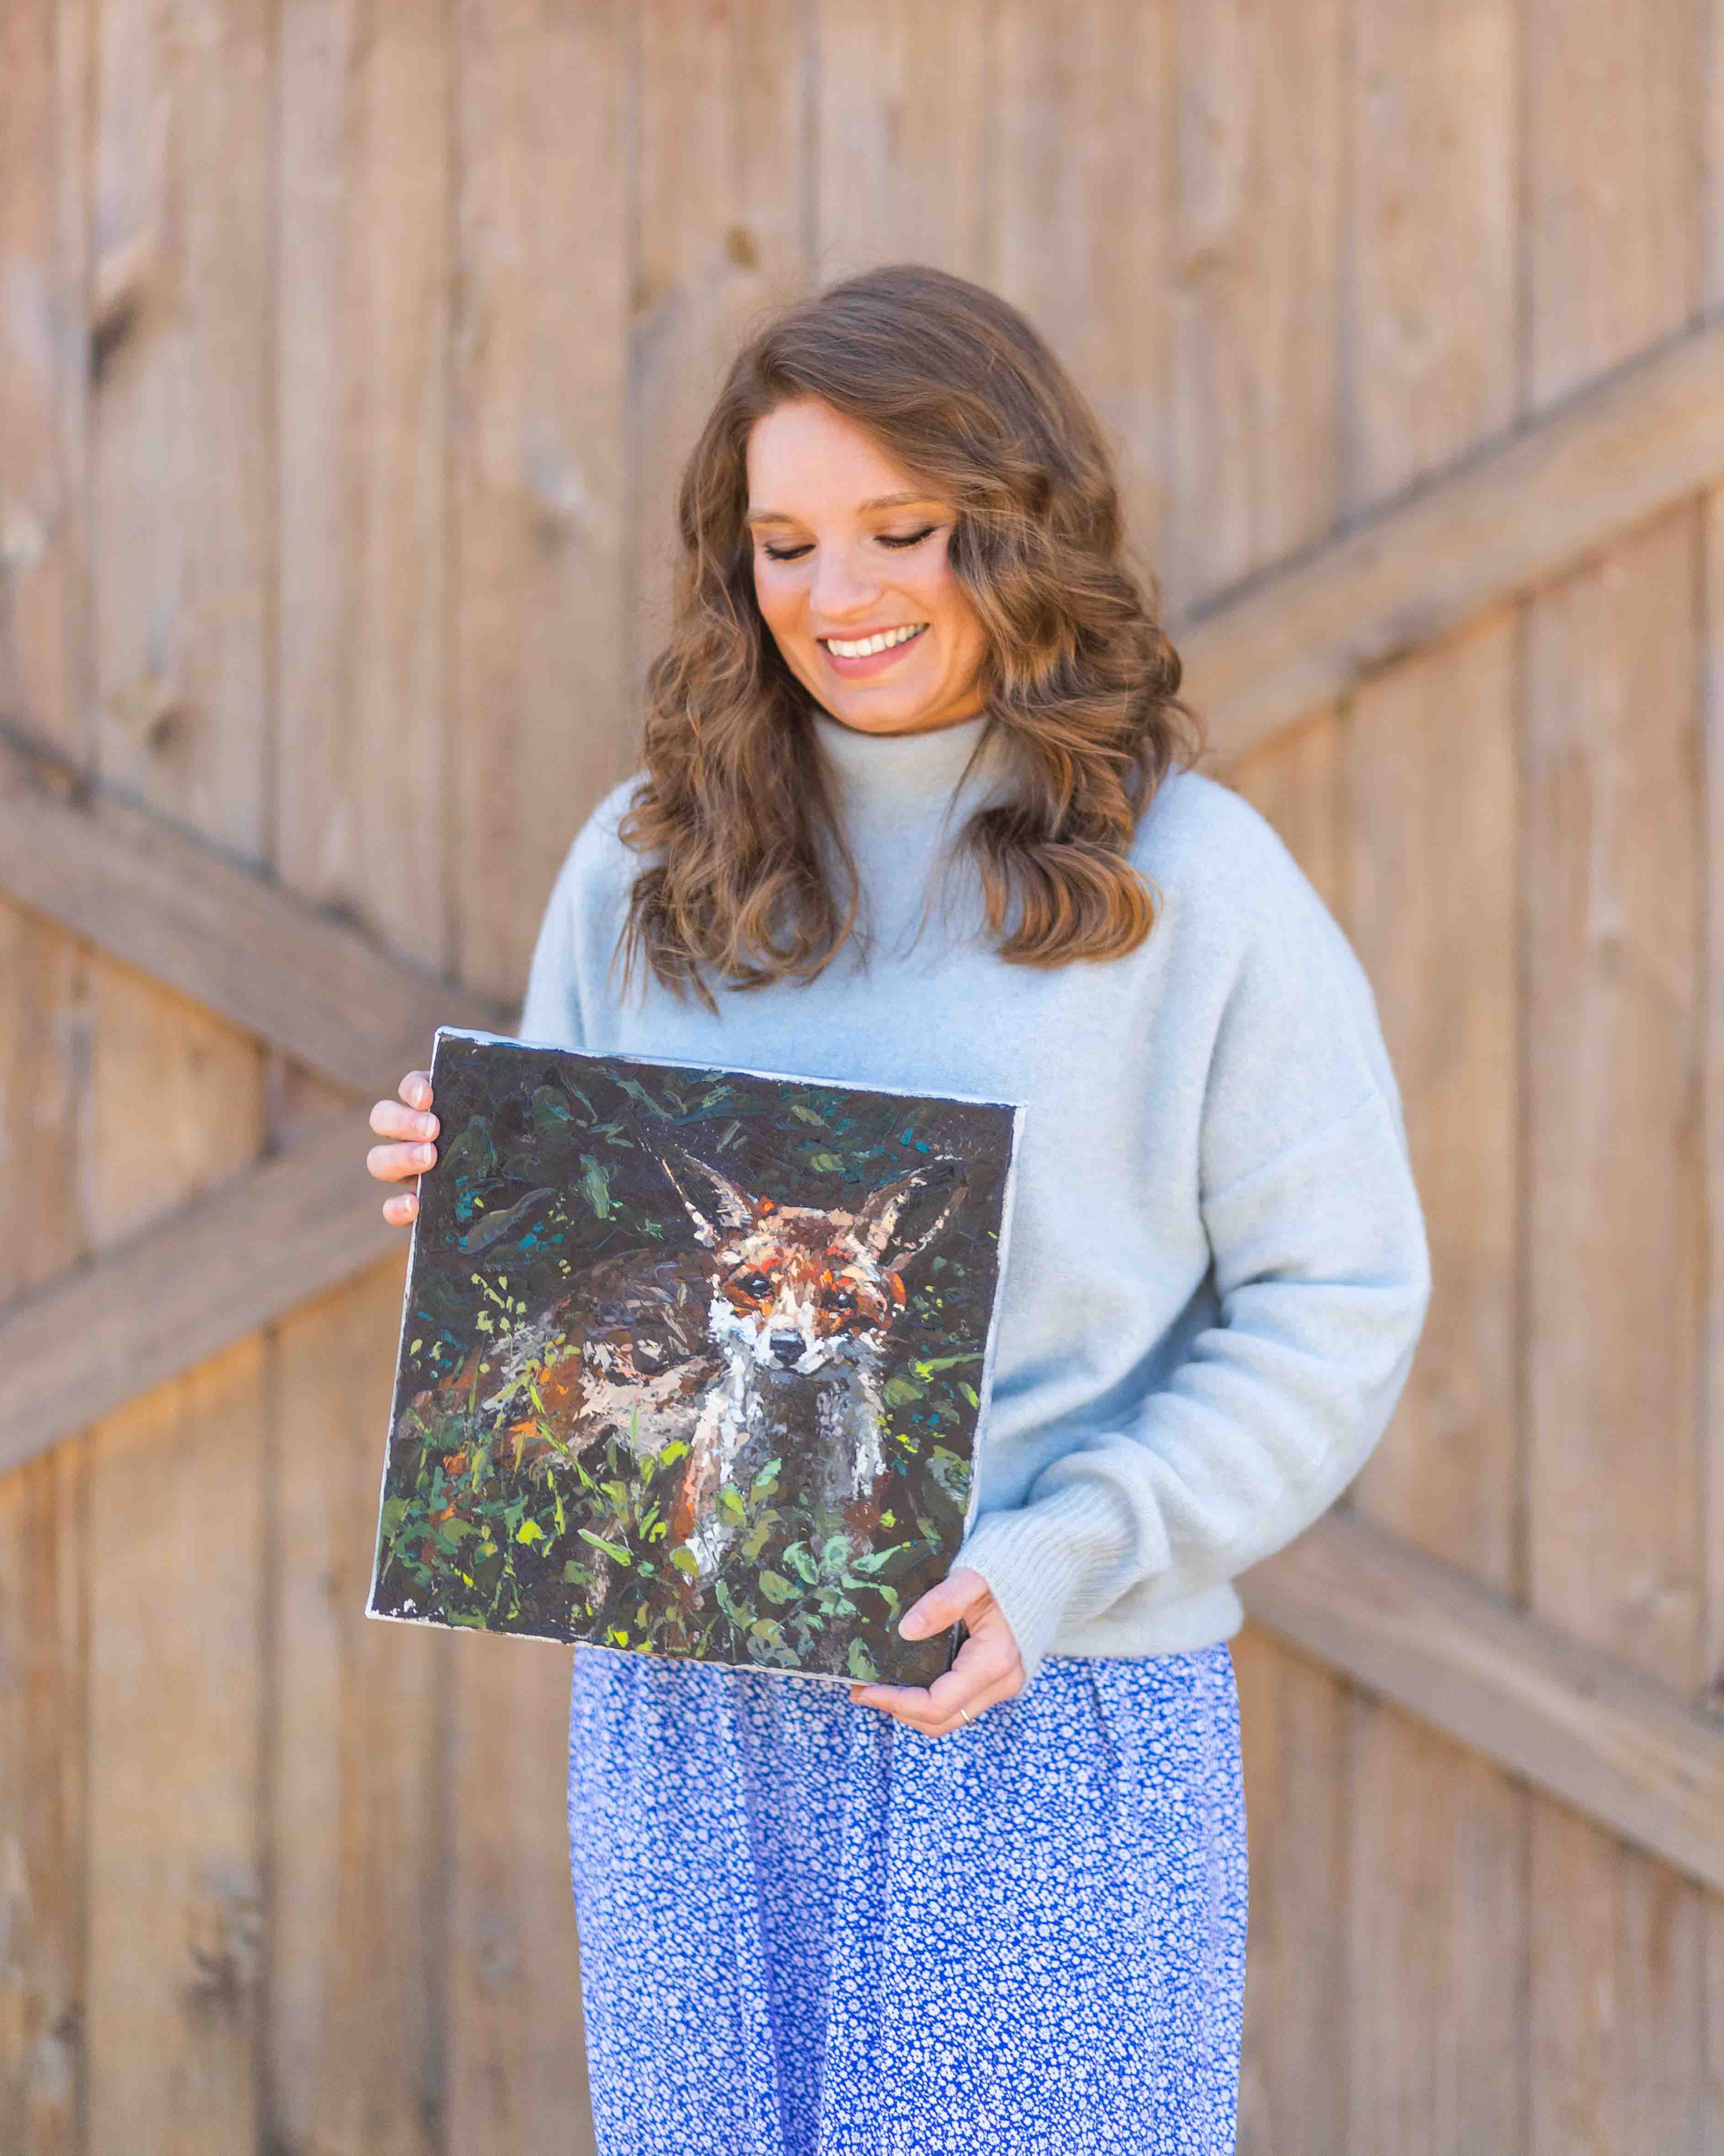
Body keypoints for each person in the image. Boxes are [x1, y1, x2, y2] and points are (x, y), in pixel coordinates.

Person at [367, 264, 1431, 2156]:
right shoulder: (641, 871)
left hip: (1046, 1703)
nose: (833, 597)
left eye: (897, 532)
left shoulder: (1187, 882)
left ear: (1011, 528)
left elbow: (1335, 1297)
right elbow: (594, 1327)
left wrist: (1070, 1554)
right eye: (779, 543)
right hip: (690, 1729)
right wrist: (487, 1204)